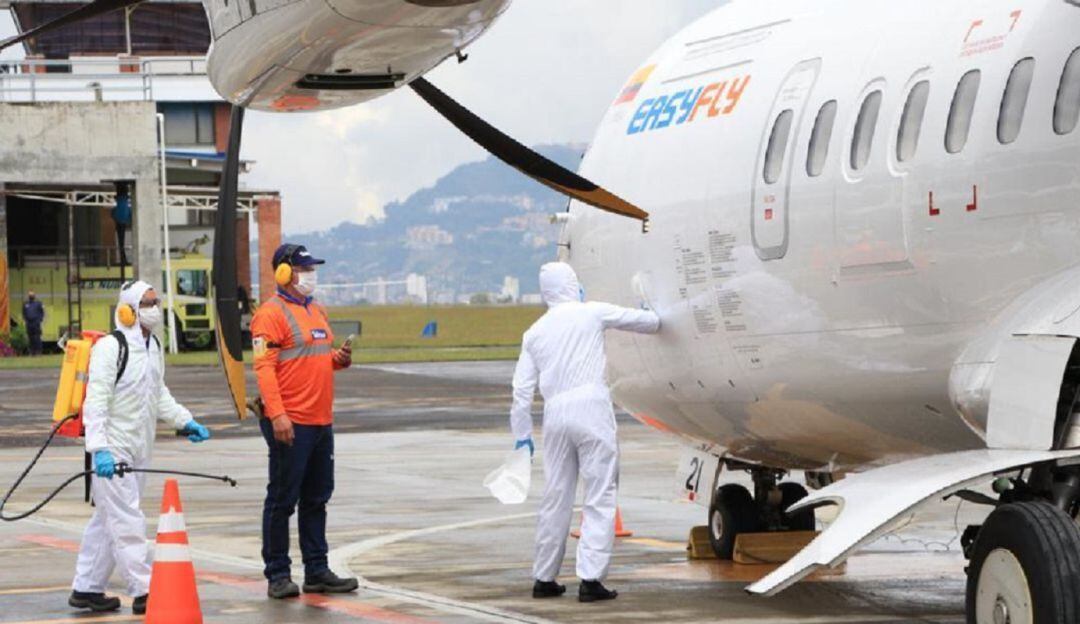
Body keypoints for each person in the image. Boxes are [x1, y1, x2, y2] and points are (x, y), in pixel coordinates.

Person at [510, 262, 661, 603]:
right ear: (572, 285)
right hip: (590, 407)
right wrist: (651, 308)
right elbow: (649, 323)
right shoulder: (590, 313)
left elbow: (520, 391)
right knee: (600, 492)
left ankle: (544, 577)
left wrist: (522, 435)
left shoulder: (534, 332)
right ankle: (591, 578)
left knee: (556, 496)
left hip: (555, 414)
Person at [70, 281, 211, 615]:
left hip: (139, 447)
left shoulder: (153, 345)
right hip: (113, 449)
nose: (154, 308)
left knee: (108, 520)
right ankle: (146, 589)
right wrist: (99, 449)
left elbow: (157, 393)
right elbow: (96, 403)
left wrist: (184, 420)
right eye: (147, 303)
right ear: (127, 310)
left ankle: (86, 588)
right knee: (127, 518)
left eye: (156, 301)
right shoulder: (110, 347)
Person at [252, 243, 357, 599]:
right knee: (283, 499)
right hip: (290, 421)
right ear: (283, 272)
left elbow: (313, 357)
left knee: (316, 498)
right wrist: (278, 414)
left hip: (320, 421)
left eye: (312, 268)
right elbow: (264, 368)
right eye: (304, 268)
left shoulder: (317, 310)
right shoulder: (269, 315)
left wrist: (337, 359)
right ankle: (278, 574)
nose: (311, 274)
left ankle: (317, 570)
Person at [22, 291, 44, 355]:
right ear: (28, 296)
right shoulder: (25, 304)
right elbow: (24, 313)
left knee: (37, 337)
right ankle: (32, 351)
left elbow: (42, 312)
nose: (31, 296)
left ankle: (38, 351)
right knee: (30, 337)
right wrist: (25, 320)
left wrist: (40, 320)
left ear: (34, 296)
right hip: (29, 323)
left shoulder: (38, 303)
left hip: (36, 323)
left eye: (32, 295)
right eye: (30, 295)